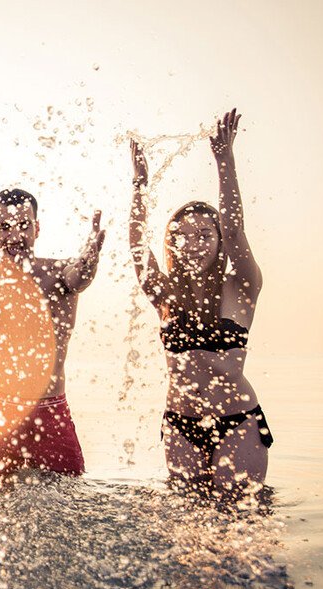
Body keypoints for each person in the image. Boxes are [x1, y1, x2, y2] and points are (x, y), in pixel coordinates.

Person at [128, 109, 272, 495]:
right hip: (180, 424)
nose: (192, 243)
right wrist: (139, 185)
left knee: (242, 523)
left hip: (237, 422)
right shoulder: (165, 295)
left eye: (203, 235)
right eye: (182, 236)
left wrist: (225, 163)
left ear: (219, 240)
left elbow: (234, 225)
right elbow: (137, 246)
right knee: (187, 524)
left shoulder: (240, 287)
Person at [0, 189, 104, 484]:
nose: (15, 236)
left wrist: (90, 262)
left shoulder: (60, 273)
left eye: (24, 226)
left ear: (37, 228)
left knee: (68, 505)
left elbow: (80, 278)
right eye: (5, 227)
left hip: (50, 412)